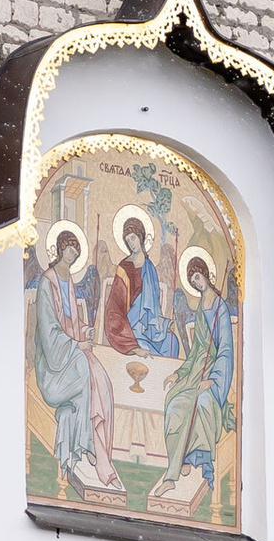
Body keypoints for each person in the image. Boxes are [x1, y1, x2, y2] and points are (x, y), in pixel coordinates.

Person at [28, 220, 120, 494]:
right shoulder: (48, 282)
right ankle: (88, 447)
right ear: (59, 249)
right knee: (83, 368)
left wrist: (84, 331)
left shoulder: (68, 280)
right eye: (69, 249)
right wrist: (75, 345)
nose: (73, 253)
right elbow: (49, 330)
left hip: (71, 351)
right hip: (53, 366)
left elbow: (71, 322)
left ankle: (93, 447)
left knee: (101, 380)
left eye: (75, 250)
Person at [153, 247, 237, 520]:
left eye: (198, 278)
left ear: (207, 276)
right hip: (196, 369)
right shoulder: (202, 306)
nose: (197, 283)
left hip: (216, 371)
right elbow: (196, 350)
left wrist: (213, 380)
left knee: (200, 403)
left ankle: (181, 468)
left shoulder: (221, 308)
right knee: (176, 402)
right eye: (192, 281)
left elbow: (225, 350)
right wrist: (180, 374)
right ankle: (183, 458)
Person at [102, 207, 178, 360]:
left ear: (141, 237)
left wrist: (165, 325)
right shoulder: (124, 268)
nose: (131, 243)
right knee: (149, 351)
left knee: (172, 342)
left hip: (150, 328)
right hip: (131, 328)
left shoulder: (149, 268)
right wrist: (133, 347)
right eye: (128, 240)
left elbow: (153, 311)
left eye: (133, 238)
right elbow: (115, 309)